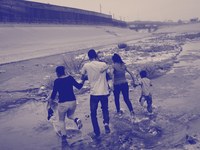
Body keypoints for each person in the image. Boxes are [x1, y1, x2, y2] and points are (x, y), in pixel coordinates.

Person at [48, 66, 85, 144]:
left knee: (61, 120)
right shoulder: (70, 78)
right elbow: (79, 87)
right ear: (64, 71)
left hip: (63, 103)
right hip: (73, 101)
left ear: (57, 73)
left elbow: (54, 94)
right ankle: (76, 119)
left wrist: (50, 104)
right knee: (70, 115)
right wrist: (83, 79)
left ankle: (64, 137)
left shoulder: (57, 81)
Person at [81, 49, 111, 139]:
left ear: (89, 57)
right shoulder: (103, 64)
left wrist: (88, 76)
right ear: (96, 56)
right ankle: (106, 124)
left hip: (94, 93)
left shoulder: (86, 65)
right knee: (105, 109)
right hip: (104, 92)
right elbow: (109, 76)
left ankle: (97, 131)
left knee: (93, 113)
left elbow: (82, 76)